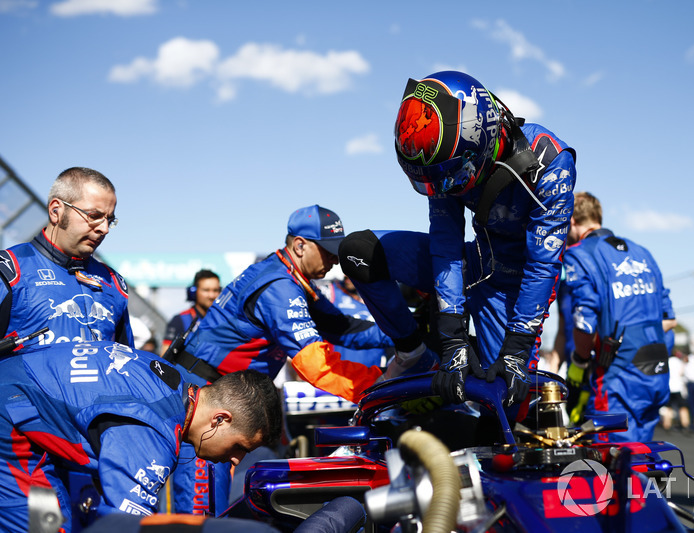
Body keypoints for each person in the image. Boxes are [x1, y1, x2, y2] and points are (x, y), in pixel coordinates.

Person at [340, 70, 577, 410]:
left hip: (512, 285)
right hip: (471, 262)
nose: (443, 187)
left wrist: (517, 346)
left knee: (506, 406)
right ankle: (413, 353)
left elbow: (543, 266)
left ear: (484, 138)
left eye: (451, 176)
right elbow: (446, 244)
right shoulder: (442, 158)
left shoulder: (550, 163)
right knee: (359, 253)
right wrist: (452, 336)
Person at [0, 340, 281, 532]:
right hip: (10, 426)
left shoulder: (169, 377)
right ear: (220, 419)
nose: (235, 459)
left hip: (19, 403)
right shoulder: (154, 433)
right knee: (50, 526)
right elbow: (127, 524)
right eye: (240, 447)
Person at [170, 205, 396, 403]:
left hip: (220, 390)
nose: (335, 260)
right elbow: (316, 364)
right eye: (328, 252)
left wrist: (406, 331)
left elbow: (343, 328)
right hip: (199, 393)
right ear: (300, 246)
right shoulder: (280, 286)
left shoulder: (289, 276)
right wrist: (385, 384)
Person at [562, 192, 676, 442]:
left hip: (618, 378)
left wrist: (580, 361)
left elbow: (584, 321)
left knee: (613, 465)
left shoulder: (578, 253)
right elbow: (669, 319)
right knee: (643, 460)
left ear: (571, 221)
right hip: (656, 371)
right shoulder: (642, 251)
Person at [0, 167, 133, 351]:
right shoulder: (9, 270)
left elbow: (126, 362)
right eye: (94, 216)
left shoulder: (114, 283)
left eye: (109, 220)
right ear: (56, 211)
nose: (104, 228)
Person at [162, 269, 222, 355]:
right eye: (206, 290)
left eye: (215, 290)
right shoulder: (179, 320)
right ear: (193, 292)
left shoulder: (224, 320)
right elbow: (164, 357)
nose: (211, 295)